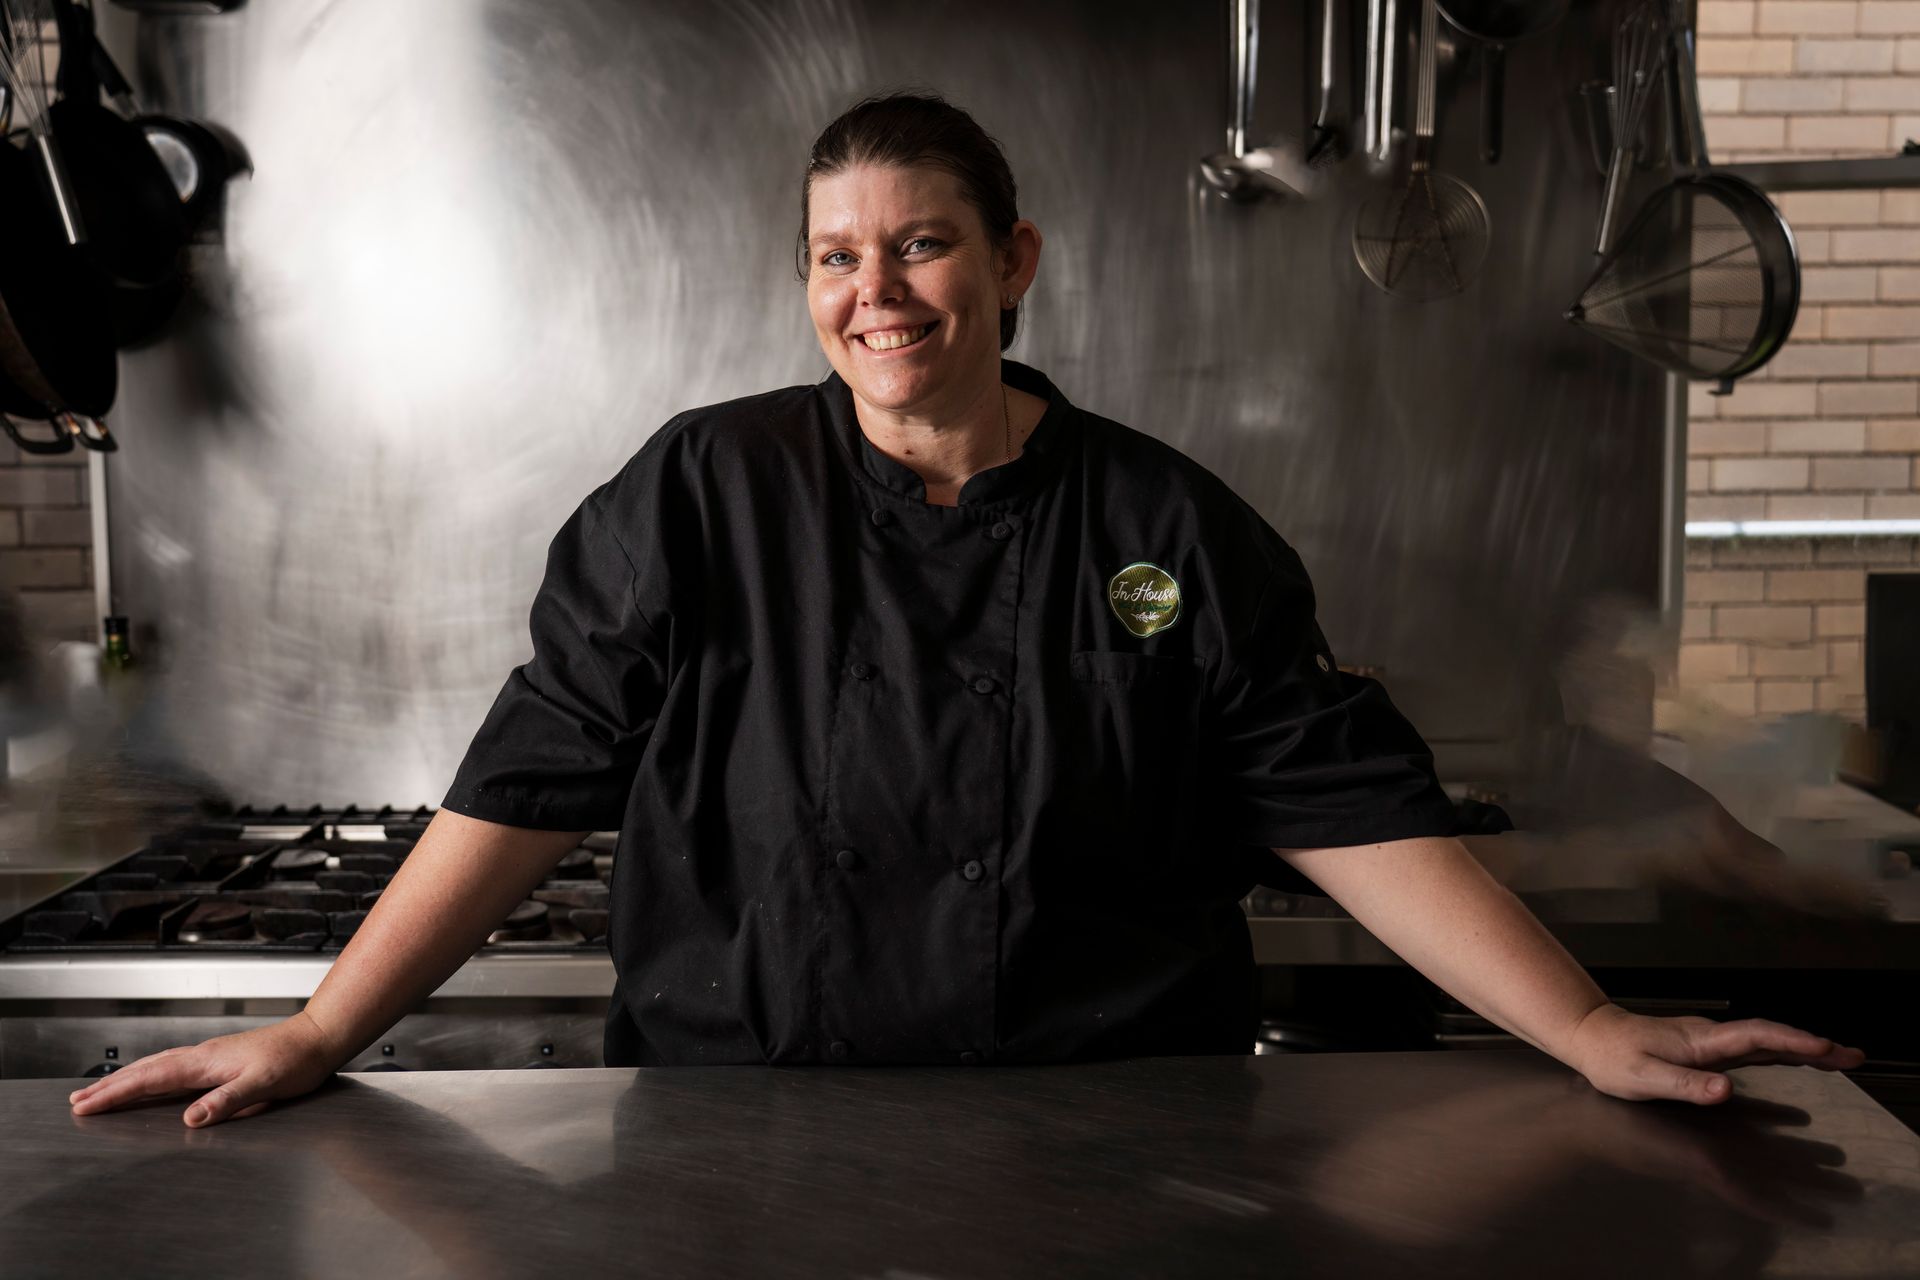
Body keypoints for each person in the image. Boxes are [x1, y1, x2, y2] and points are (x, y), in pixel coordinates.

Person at [68, 93, 1862, 1128]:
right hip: (738, 1126)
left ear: (1010, 261)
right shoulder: (706, 488)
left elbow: (1338, 801)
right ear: (804, 283)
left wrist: (1583, 1029)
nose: (879, 293)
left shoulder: (1166, 521)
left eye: (922, 244)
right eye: (838, 256)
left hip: (1115, 1129)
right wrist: (319, 1031)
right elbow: (541, 769)